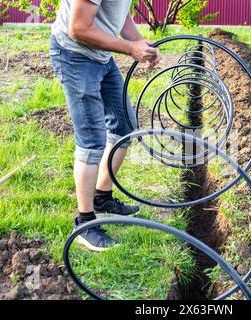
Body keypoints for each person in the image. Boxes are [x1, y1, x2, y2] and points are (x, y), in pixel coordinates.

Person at [49, 0, 161, 251]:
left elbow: (119, 13)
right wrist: (129, 48)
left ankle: (102, 197)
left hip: (101, 56)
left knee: (124, 127)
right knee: (91, 142)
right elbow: (78, 28)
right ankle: (84, 222)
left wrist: (142, 42)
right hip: (74, 54)